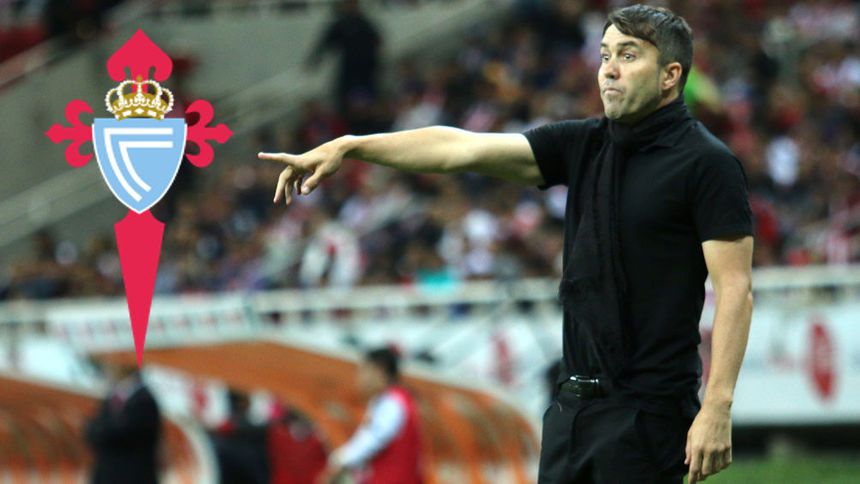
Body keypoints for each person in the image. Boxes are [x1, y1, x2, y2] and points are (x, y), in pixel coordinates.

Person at [258, 5, 754, 483]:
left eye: (628, 55)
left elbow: (735, 289)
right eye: (605, 55)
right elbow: (458, 148)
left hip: (648, 413)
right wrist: (352, 146)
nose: (608, 69)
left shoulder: (706, 164)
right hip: (571, 411)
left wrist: (717, 406)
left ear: (670, 75)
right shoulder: (584, 144)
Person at [318, 346, 424, 484]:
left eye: (364, 370)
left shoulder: (393, 403)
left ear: (379, 371)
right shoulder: (387, 400)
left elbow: (372, 439)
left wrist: (339, 460)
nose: (359, 378)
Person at [84, 363, 162, 484]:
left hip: (133, 476)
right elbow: (95, 431)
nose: (110, 365)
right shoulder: (111, 398)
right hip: (107, 475)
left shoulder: (145, 400)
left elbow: (123, 433)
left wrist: (99, 431)